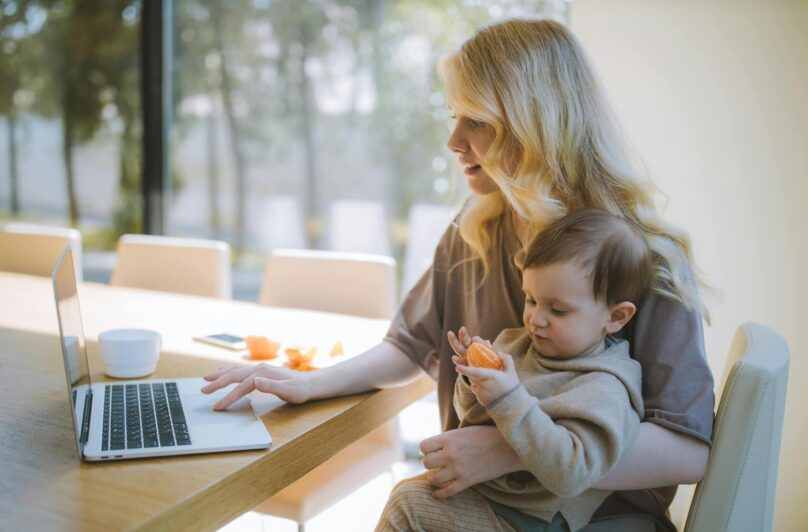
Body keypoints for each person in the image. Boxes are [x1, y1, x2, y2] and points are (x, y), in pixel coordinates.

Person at [201, 18, 714, 530]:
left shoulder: (646, 259)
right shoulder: (475, 232)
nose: (453, 140)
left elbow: (687, 450)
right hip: (481, 505)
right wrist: (313, 383)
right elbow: (410, 346)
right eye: (453, 116)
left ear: (534, 125)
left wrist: (511, 449)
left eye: (476, 120)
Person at [377, 209, 651, 531]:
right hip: (488, 496)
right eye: (530, 299)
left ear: (616, 317)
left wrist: (508, 397)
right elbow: (471, 418)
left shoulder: (605, 387)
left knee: (408, 505)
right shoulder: (518, 344)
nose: (535, 318)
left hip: (530, 520)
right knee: (409, 492)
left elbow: (572, 473)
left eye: (558, 309)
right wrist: (475, 380)